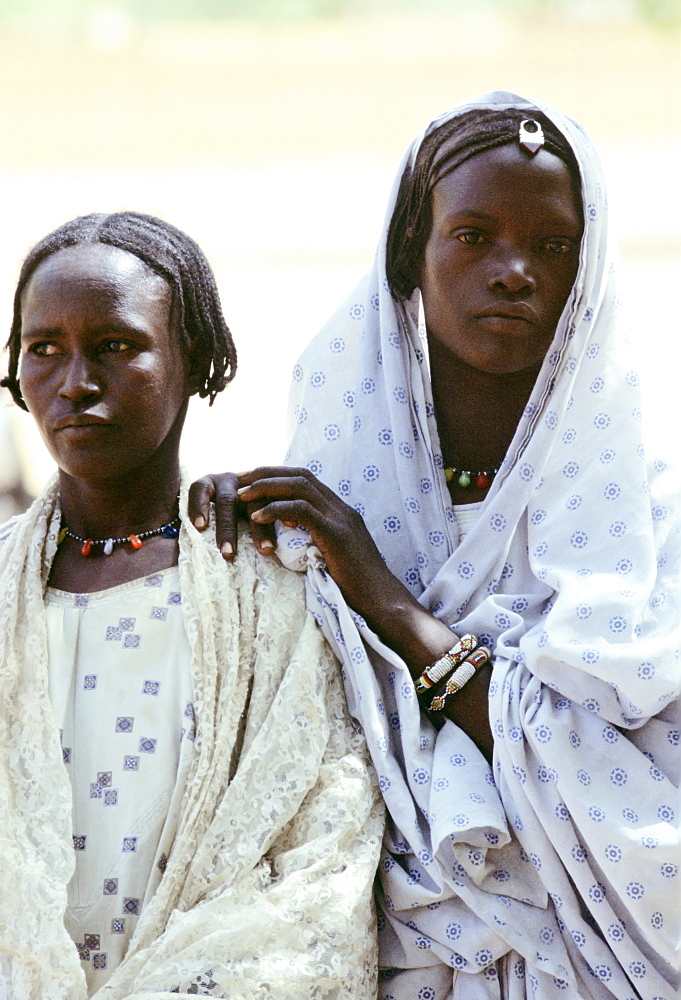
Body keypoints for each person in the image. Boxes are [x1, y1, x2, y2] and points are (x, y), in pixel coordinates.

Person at [190, 93, 680, 998]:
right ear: (408, 256)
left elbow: (634, 795)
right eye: (473, 237)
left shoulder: (644, 516)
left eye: (553, 245)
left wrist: (385, 599)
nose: (514, 271)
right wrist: (235, 548)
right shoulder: (328, 486)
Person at [0, 212, 383, 1000]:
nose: (75, 382)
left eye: (117, 346)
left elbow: (319, 853)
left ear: (197, 360)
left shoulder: (268, 583)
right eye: (44, 350)